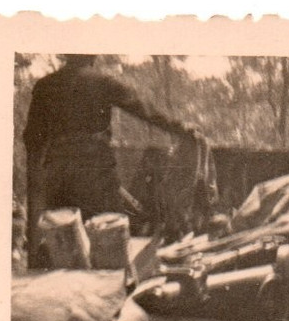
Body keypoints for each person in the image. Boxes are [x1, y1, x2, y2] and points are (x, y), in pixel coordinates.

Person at [23, 54, 199, 268]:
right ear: (92, 56)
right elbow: (144, 109)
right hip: (94, 172)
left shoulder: (45, 86)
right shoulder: (102, 82)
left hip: (58, 175)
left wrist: (39, 180)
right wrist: (179, 128)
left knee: (62, 240)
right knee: (109, 235)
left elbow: (32, 139)